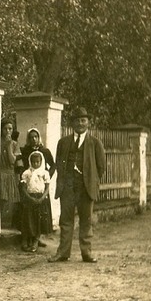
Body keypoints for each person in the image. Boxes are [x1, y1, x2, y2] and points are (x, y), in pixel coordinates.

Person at [51, 108, 107, 263]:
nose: (80, 123)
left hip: (85, 187)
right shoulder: (63, 143)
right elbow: (59, 163)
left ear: (88, 123)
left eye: (83, 120)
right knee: (66, 220)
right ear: (72, 123)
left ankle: (87, 253)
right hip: (67, 186)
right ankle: (63, 253)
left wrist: (89, 180)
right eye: (77, 120)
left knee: (86, 220)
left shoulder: (95, 143)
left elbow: (101, 167)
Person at [18, 150, 52, 253]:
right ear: (30, 162)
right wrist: (29, 197)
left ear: (41, 162)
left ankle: (35, 241)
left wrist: (42, 198)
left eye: (38, 162)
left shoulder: (44, 173)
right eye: (33, 162)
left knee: (38, 220)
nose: (36, 164)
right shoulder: (27, 173)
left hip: (40, 199)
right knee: (28, 220)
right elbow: (23, 187)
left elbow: (47, 188)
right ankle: (26, 241)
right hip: (30, 199)